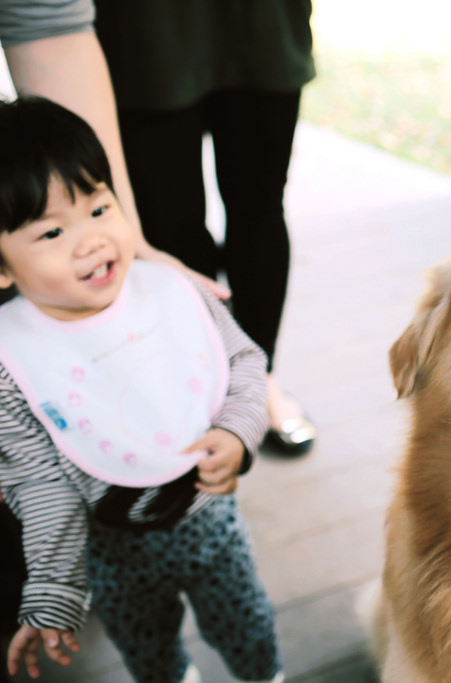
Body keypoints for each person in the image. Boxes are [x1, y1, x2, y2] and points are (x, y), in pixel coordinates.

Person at [0, 97, 283, 683]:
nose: (91, 240)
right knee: (147, 649)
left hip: (213, 521)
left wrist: (238, 429)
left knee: (246, 622)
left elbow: (244, 362)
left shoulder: (173, 291)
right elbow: (36, 481)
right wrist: (53, 589)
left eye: (100, 207)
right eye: (52, 229)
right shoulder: (12, 361)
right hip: (111, 550)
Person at [0, 0, 317, 456]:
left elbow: (45, 17)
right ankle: (192, 386)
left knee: (259, 206)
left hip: (258, 24)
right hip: (145, 33)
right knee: (171, 225)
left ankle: (255, 383)